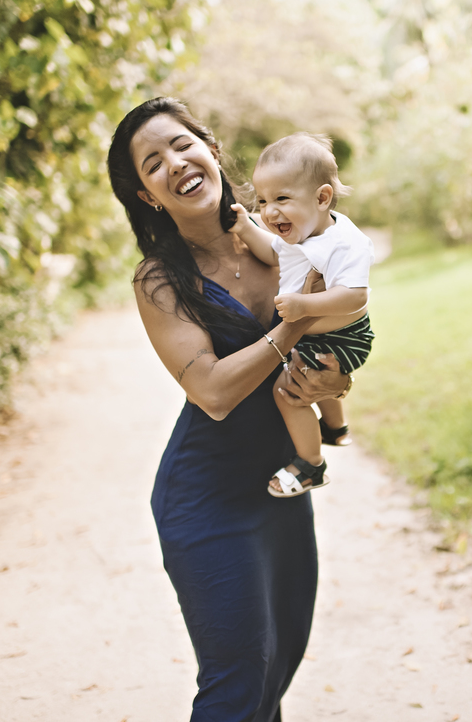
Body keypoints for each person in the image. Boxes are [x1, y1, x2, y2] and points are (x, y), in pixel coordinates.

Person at [107, 97, 351, 721]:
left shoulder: (286, 238)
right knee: (238, 679)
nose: (174, 164)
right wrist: (293, 327)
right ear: (147, 196)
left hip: (279, 487)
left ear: (211, 151)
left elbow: (339, 330)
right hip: (206, 495)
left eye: (181, 145)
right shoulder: (160, 280)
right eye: (152, 163)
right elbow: (212, 392)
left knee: (277, 661)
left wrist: (330, 386)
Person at [228, 133, 375, 498]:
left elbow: (356, 296)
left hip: (343, 336)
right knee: (310, 375)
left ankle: (311, 464)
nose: (269, 211)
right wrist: (247, 228)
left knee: (287, 391)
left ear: (322, 198)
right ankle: (335, 429)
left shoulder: (345, 242)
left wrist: (305, 306)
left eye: (281, 198)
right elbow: (274, 255)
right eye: (262, 200)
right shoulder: (302, 235)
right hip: (319, 333)